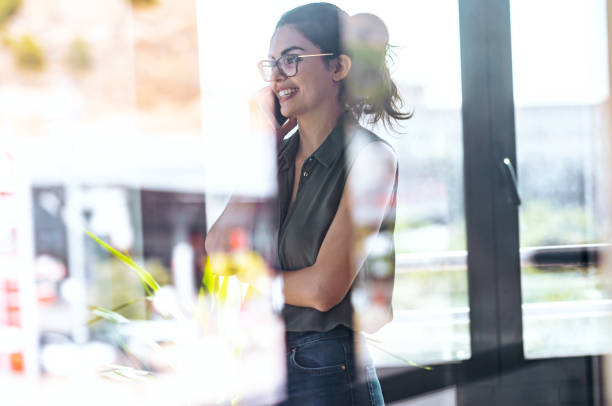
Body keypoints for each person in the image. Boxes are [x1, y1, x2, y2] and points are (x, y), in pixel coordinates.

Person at [206, 3, 411, 405]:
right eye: (273, 63)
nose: (278, 75)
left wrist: (250, 281)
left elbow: (322, 290)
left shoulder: (372, 159)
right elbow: (216, 249)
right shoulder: (276, 158)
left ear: (338, 68)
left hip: (328, 371)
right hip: (266, 365)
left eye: (292, 59)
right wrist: (259, 151)